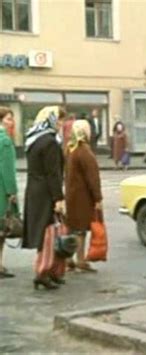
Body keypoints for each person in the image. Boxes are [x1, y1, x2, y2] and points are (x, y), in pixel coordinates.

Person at [22, 106, 66, 290]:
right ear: (52, 119)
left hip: (34, 190)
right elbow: (52, 173)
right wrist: (59, 198)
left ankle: (52, 271)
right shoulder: (50, 142)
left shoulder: (34, 139)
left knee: (46, 232)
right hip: (46, 193)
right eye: (60, 120)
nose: (62, 124)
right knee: (49, 233)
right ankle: (43, 271)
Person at [65, 120, 103, 272]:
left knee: (72, 227)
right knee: (81, 230)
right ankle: (80, 260)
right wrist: (98, 198)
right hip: (83, 196)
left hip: (71, 194)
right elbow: (92, 177)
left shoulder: (70, 148)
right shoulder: (84, 150)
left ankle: (69, 259)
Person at [0, 107, 18, 279]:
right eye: (8, 119)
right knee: (2, 229)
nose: (11, 122)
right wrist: (12, 191)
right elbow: (7, 169)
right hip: (2, 191)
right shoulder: (4, 140)